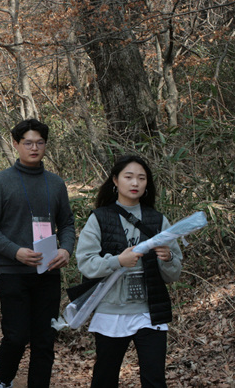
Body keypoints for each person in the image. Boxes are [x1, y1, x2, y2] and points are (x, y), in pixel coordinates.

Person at [0, 118, 75, 388]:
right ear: (16, 144)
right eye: (28, 143)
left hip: (48, 270)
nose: (34, 148)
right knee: (16, 335)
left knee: (45, 338)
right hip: (14, 271)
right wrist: (15, 251)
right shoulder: (1, 182)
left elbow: (67, 223)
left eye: (40, 143)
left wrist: (66, 249)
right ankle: (5, 380)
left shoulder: (55, 184)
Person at [76, 155, 182, 388]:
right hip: (111, 311)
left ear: (147, 184)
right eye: (129, 177)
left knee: (154, 379)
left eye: (141, 178)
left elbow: (173, 274)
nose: (135, 183)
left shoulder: (157, 220)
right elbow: (86, 262)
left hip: (149, 312)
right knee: (105, 378)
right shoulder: (100, 218)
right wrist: (118, 261)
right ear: (115, 180)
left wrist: (168, 258)